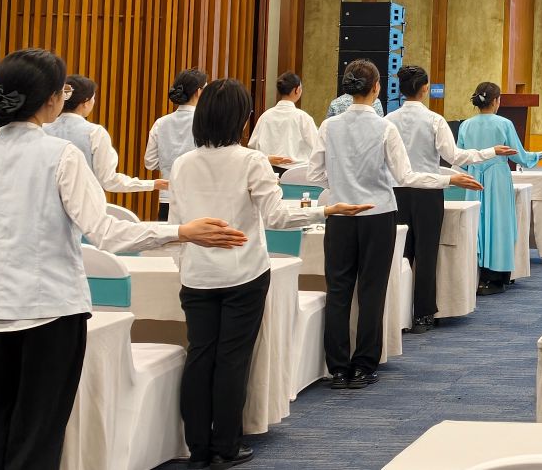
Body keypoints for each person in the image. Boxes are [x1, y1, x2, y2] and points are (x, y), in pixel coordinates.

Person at [0, 49, 246, 469]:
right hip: (50, 311)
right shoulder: (61, 155)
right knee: (36, 439)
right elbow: (105, 231)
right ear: (52, 99)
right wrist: (180, 232)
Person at [167, 79, 371, 468]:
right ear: (241, 118)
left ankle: (198, 448)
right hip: (243, 273)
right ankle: (226, 446)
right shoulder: (251, 161)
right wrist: (325, 211)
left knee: (200, 356)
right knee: (232, 359)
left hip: (196, 275)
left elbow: (177, 225)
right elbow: (277, 217)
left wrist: (185, 264)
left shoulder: (183, 163)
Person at [308, 59, 483, 390]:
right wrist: (448, 179)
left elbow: (315, 172)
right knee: (372, 291)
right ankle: (364, 366)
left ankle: (338, 368)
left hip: (340, 215)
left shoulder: (328, 126)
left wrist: (341, 185)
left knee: (339, 291)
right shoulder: (384, 128)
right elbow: (405, 176)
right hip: (378, 215)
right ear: (376, 88)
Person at [388, 69, 518, 326]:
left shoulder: (388, 120)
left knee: (400, 253)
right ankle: (423, 315)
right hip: (428, 193)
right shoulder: (434, 120)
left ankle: (394, 314)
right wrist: (490, 151)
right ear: (425, 88)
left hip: (396, 192)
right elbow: (455, 156)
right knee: (426, 254)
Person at [456, 81, 542, 294]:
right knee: (499, 224)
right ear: (496, 101)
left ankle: (475, 275)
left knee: (477, 224)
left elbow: (461, 158)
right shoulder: (504, 124)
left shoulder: (465, 125)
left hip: (474, 177)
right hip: (498, 178)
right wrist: (540, 155)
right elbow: (520, 156)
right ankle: (496, 276)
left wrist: (476, 167)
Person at [44, 75, 165, 197]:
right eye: (93, 98)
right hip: (82, 202)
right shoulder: (95, 133)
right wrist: (151, 184)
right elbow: (108, 180)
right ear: (85, 102)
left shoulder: (43, 129)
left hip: (45, 202)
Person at [147, 69, 210, 219]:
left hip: (167, 197)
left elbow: (150, 162)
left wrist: (168, 164)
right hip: (199, 199)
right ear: (199, 92)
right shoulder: (207, 122)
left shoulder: (160, 123)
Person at [250, 73, 321, 170]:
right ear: (297, 90)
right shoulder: (303, 117)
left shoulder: (265, 116)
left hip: (268, 169)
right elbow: (317, 146)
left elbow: (252, 146)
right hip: (296, 171)